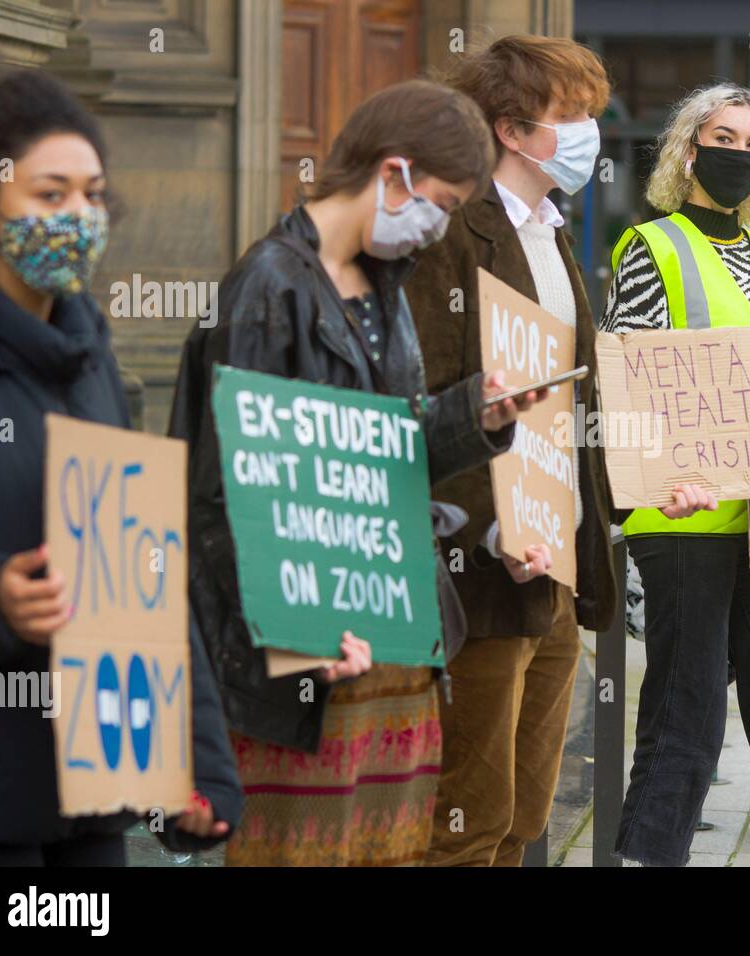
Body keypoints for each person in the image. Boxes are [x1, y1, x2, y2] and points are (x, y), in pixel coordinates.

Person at [168, 79, 545, 866]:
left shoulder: (383, 283)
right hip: (310, 657)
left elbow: (381, 456)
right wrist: (299, 632)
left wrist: (475, 415)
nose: (436, 225)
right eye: (438, 202)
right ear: (393, 172)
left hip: (392, 636)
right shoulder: (268, 289)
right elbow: (229, 494)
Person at [0, 62, 242, 865]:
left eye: (92, 195)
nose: (79, 216)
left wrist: (196, 773)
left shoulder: (92, 366)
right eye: (51, 196)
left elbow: (145, 581)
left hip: (93, 815)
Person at [600, 83, 750, 867]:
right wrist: (661, 477)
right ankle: (650, 855)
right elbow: (625, 379)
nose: (739, 153)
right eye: (723, 136)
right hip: (681, 521)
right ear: (687, 147)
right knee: (688, 710)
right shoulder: (651, 245)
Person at [404, 36, 618, 867]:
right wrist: (493, 531)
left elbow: (573, 392)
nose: (589, 134)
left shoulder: (550, 232)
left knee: (527, 810)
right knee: (467, 812)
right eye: (574, 116)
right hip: (483, 569)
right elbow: (436, 398)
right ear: (512, 128)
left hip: (555, 555)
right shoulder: (455, 231)